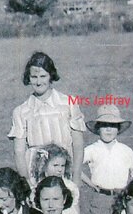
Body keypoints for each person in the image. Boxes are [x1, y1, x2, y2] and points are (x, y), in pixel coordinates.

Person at [8, 51, 85, 185]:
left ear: (51, 76)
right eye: (34, 77)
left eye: (43, 76)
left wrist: (77, 175)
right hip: (36, 171)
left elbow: (78, 145)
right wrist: (25, 181)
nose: (38, 82)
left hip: (63, 168)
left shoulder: (68, 103)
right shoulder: (21, 111)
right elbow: (19, 152)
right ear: (28, 78)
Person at [81, 105, 133, 214]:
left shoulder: (125, 150)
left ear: (118, 129)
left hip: (121, 197)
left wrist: (128, 187)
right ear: (97, 128)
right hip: (100, 197)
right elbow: (75, 165)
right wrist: (90, 183)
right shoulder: (92, 149)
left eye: (113, 126)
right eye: (104, 125)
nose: (108, 129)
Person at [29, 144, 80, 214]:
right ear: (44, 165)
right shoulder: (38, 187)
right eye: (55, 165)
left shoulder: (69, 186)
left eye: (62, 166)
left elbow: (75, 210)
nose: (59, 169)